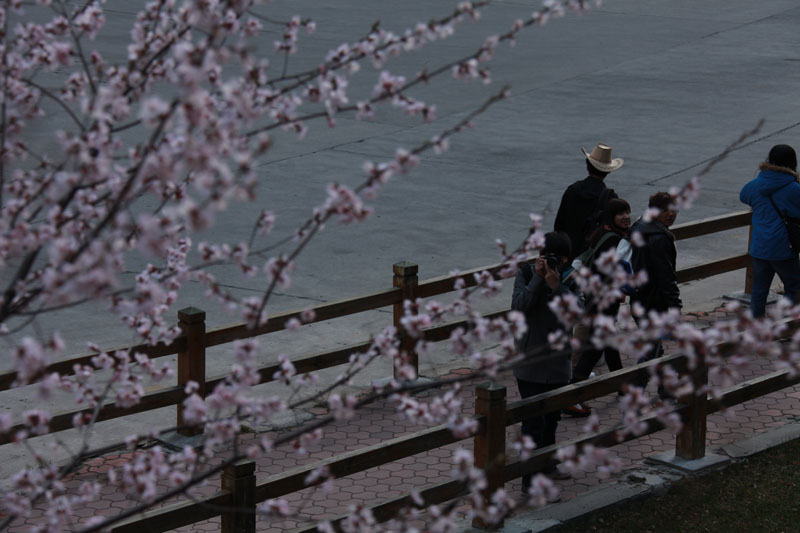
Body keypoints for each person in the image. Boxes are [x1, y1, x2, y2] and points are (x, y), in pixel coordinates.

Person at [511, 231, 579, 490]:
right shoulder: (527, 274)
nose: (548, 262)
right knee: (533, 423)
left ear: (564, 259)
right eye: (544, 256)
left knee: (552, 419)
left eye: (555, 258)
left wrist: (557, 286)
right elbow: (518, 308)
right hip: (529, 362)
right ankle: (530, 482)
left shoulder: (572, 278)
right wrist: (538, 282)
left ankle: (547, 464)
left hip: (558, 362)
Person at [564, 198, 632, 417]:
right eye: (620, 213)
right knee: (595, 346)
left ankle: (622, 385)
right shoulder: (613, 240)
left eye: (627, 212)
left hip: (598, 297)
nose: (626, 217)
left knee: (608, 341)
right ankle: (571, 395)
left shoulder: (604, 234)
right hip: (603, 298)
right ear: (611, 217)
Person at [739, 144, 800, 318]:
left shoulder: (756, 184)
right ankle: (786, 325)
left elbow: (744, 195)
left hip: (759, 247)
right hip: (782, 248)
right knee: (794, 287)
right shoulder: (793, 188)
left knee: (759, 289)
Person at [630, 192, 681, 396]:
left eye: (674, 210)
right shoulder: (659, 238)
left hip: (639, 300)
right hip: (654, 302)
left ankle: (665, 389)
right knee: (650, 352)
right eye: (666, 210)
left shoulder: (639, 227)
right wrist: (675, 305)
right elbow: (665, 276)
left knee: (655, 347)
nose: (671, 214)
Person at [554, 143, 623, 260]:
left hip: (568, 253)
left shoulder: (572, 190)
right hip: (591, 256)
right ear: (608, 171)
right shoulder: (610, 198)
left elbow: (559, 225)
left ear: (587, 166)